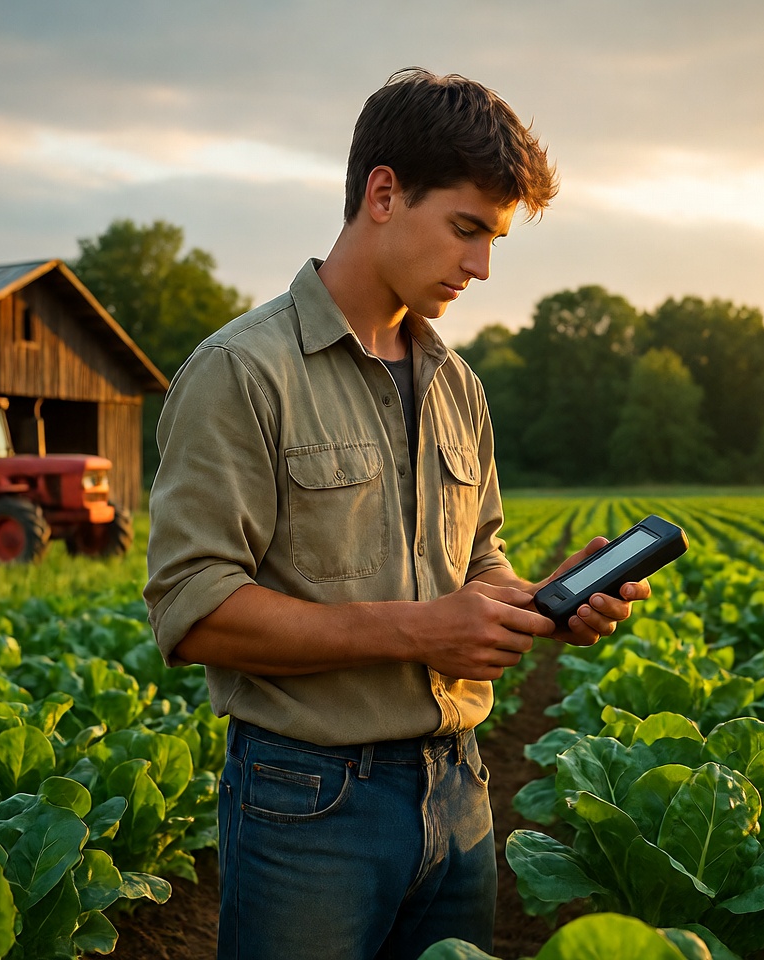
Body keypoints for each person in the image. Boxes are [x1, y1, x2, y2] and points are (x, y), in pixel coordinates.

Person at [144, 66, 651, 960]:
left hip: (460, 794)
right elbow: (194, 611)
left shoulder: (457, 385)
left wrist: (539, 600)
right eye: (465, 229)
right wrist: (421, 632)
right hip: (310, 803)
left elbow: (477, 562)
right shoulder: (243, 371)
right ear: (383, 193)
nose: (480, 266)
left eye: (493, 240)